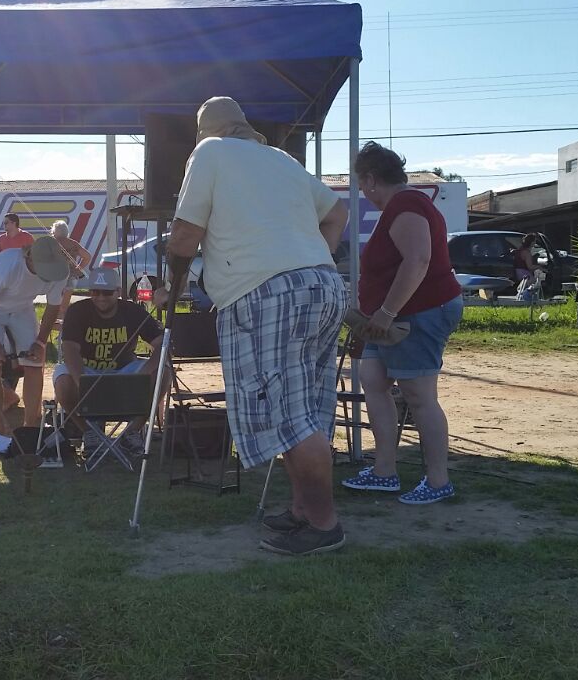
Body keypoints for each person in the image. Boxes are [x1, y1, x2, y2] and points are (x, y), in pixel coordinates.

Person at [161, 96, 349, 556]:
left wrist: (174, 284)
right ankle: (303, 510)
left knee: (287, 414)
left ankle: (324, 524)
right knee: (307, 409)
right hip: (324, 285)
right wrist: (312, 256)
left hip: (265, 293)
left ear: (207, 132)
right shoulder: (282, 160)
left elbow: (185, 235)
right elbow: (337, 214)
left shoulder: (209, 153)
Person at [340, 142, 464, 507]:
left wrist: (387, 312)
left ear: (371, 179)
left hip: (416, 313)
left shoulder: (407, 205)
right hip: (390, 318)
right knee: (373, 380)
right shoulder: (400, 207)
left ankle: (438, 480)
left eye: (361, 184)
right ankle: (384, 471)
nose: (362, 192)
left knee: (419, 396)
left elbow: (418, 260)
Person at [0, 235, 75, 436]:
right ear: (30, 258)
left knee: (35, 362)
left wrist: (40, 342)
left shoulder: (60, 272)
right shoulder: (7, 264)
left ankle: (30, 427)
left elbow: (52, 307)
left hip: (23, 309)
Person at [53, 267, 163, 446]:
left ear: (118, 292)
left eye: (107, 292)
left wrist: (145, 373)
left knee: (163, 373)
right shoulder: (77, 310)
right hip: (87, 370)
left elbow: (162, 343)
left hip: (125, 371)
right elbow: (70, 349)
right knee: (63, 380)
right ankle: (89, 433)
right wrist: (81, 380)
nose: (101, 297)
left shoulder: (133, 311)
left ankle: (132, 432)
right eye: (95, 292)